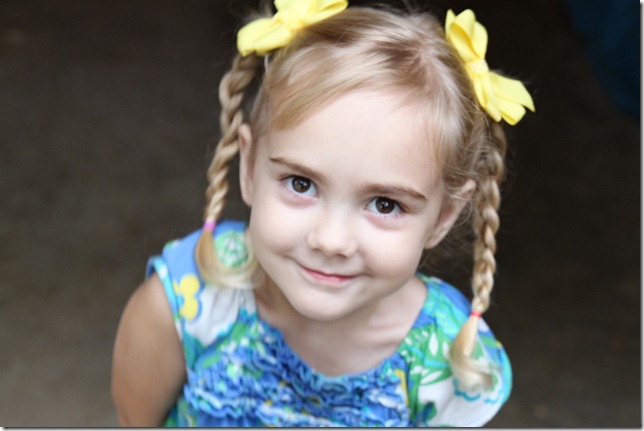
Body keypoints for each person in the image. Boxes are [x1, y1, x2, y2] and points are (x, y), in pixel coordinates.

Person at [111, 0, 534, 427]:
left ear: (443, 216)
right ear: (249, 167)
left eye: (385, 204)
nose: (331, 241)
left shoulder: (451, 365)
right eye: (300, 183)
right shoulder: (186, 299)